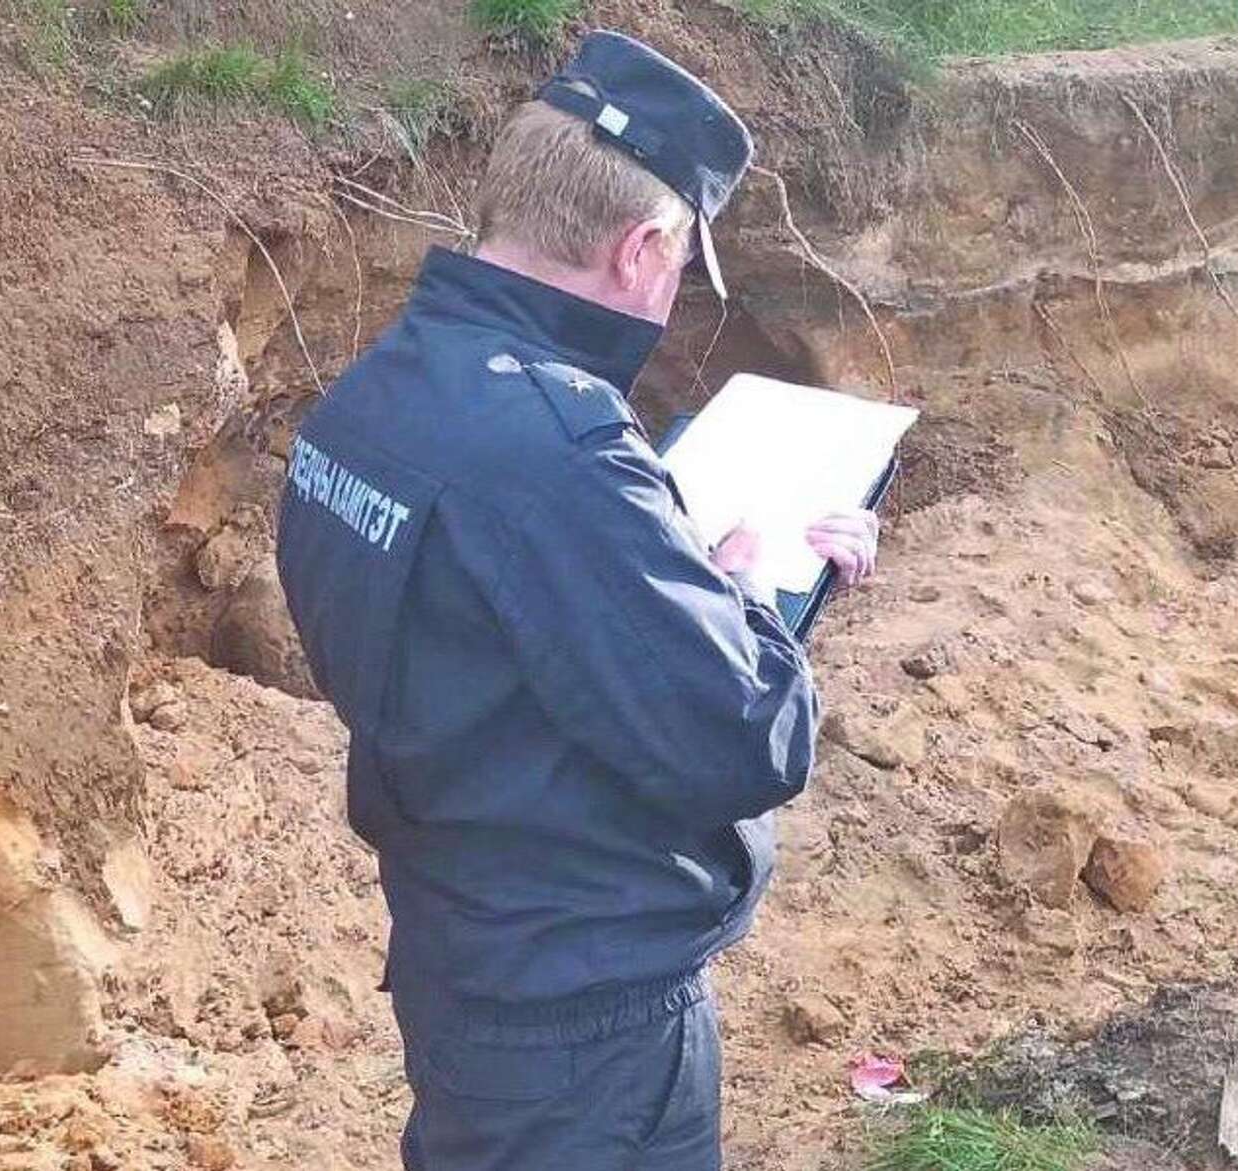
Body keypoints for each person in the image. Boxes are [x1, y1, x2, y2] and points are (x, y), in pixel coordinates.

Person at [274, 30, 877, 1171]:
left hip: (462, 951)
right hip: (584, 1029)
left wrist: (643, 572)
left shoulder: (373, 394)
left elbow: (463, 623)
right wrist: (740, 587)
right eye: (679, 267)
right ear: (643, 247)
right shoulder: (561, 453)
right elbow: (747, 741)